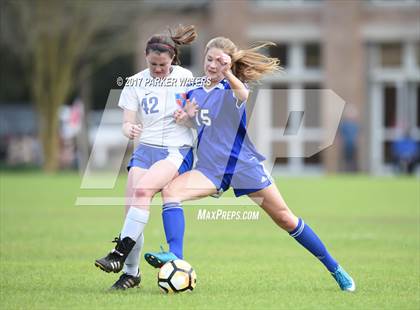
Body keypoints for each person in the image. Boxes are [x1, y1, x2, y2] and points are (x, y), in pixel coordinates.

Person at [145, 37, 356, 292]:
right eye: (209, 59)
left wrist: (228, 73)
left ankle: (336, 269)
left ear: (230, 64)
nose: (213, 65)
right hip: (211, 169)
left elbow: (243, 95)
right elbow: (198, 123)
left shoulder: (233, 87)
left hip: (243, 166)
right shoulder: (195, 90)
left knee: (286, 219)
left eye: (220, 62)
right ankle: (174, 254)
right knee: (171, 192)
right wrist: (185, 118)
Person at [94, 25, 197, 290]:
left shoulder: (186, 78)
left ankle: (118, 255)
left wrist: (187, 115)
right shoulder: (135, 82)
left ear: (172, 58)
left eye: (162, 64)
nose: (158, 69)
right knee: (132, 212)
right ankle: (131, 273)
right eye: (153, 64)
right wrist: (129, 129)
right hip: (145, 150)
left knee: (143, 192)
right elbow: (127, 121)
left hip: (175, 150)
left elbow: (196, 112)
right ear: (145, 56)